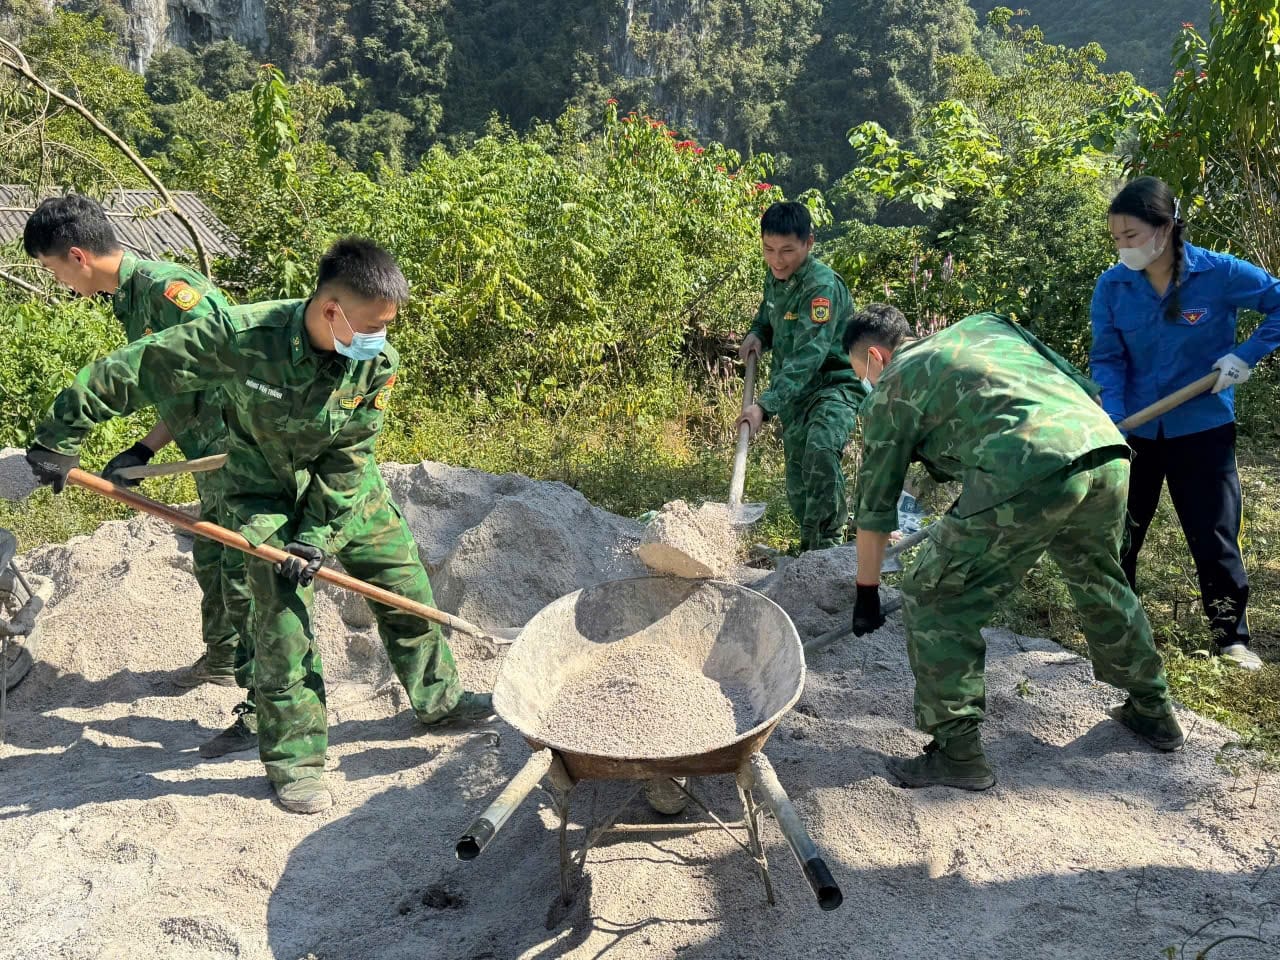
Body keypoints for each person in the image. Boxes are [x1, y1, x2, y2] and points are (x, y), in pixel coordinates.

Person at [26, 238, 493, 814]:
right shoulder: (241, 336)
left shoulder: (376, 363)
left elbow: (349, 456)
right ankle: (295, 763)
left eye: (388, 328)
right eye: (372, 326)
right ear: (330, 311)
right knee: (283, 630)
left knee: (405, 589)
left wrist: (317, 536)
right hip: (260, 496)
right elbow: (137, 369)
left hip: (345, 496)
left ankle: (439, 701)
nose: (381, 340)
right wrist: (58, 439)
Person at [846, 304, 1181, 791]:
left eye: (862, 374)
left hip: (1027, 467)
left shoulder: (892, 387)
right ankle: (1154, 710)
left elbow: (875, 510)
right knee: (1100, 577)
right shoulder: (987, 325)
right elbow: (1078, 385)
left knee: (936, 594)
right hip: (1103, 449)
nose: (867, 383)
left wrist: (866, 591)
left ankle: (956, 754)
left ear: (876, 357)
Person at [22, 195, 246, 688]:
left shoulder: (172, 292)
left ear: (77, 257)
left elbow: (236, 372)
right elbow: (184, 389)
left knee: (243, 568)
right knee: (213, 558)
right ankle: (225, 664)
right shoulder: (129, 300)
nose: (56, 281)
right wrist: (146, 449)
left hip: (240, 456)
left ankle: (259, 697)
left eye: (51, 269)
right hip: (206, 457)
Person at [1092, 176, 1280, 672]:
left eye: (1131, 236)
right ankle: (1120, 634)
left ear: (1166, 227)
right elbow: (1107, 357)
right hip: (1133, 431)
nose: (1123, 247)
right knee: (1122, 531)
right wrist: (1113, 416)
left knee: (1214, 532)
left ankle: (1230, 638)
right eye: (1116, 238)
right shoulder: (1113, 286)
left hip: (1202, 427)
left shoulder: (1218, 274)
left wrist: (1245, 355)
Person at [737, 201, 866, 551]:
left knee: (820, 452)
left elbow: (809, 354)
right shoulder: (776, 276)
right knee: (798, 475)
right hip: (795, 394)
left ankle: (827, 548)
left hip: (833, 386)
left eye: (787, 251)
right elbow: (770, 311)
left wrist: (764, 405)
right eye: (769, 250)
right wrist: (758, 332)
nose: (777, 260)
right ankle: (808, 547)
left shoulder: (820, 288)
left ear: (809, 243)